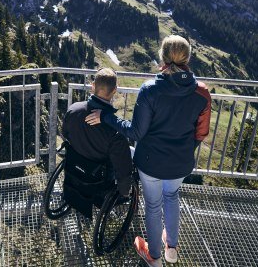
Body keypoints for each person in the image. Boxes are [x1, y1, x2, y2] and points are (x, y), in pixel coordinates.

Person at [85, 35, 211, 267]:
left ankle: (154, 257)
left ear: (162, 58)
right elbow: (201, 133)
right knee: (172, 197)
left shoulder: (150, 90)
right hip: (180, 163)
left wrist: (106, 116)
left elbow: (134, 133)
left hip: (150, 162)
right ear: (188, 59)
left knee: (153, 206)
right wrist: (183, 150)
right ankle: (171, 248)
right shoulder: (202, 93)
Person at [62, 67, 133, 198]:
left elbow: (65, 134)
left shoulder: (73, 110)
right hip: (99, 183)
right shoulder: (116, 133)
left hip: (74, 171)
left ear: (93, 86)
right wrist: (124, 192)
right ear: (115, 90)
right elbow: (123, 169)